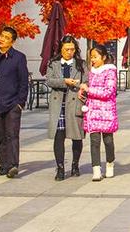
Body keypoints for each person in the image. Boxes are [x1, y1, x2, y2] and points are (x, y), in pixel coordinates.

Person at [0, 26, 29, 179]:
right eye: (2, 36)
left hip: (12, 104)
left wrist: (20, 102)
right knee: (0, 136)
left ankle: (13, 165)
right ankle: (4, 165)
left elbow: (23, 82)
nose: (2, 39)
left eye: (7, 38)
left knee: (12, 135)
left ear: (12, 42)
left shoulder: (19, 57)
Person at [47, 35, 87, 181]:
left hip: (75, 102)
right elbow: (49, 80)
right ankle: (60, 168)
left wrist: (80, 87)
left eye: (72, 49)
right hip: (59, 104)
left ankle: (75, 164)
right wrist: (64, 81)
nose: (69, 52)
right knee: (59, 136)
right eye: (66, 49)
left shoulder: (81, 64)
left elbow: (86, 81)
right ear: (61, 49)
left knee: (77, 136)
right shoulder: (54, 63)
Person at [81, 45, 118, 181]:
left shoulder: (110, 72)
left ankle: (109, 163)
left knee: (108, 140)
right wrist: (83, 92)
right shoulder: (91, 72)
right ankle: (96, 169)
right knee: (94, 141)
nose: (93, 60)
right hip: (93, 112)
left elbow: (109, 92)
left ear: (103, 57)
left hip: (106, 112)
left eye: (95, 57)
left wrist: (89, 90)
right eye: (92, 57)